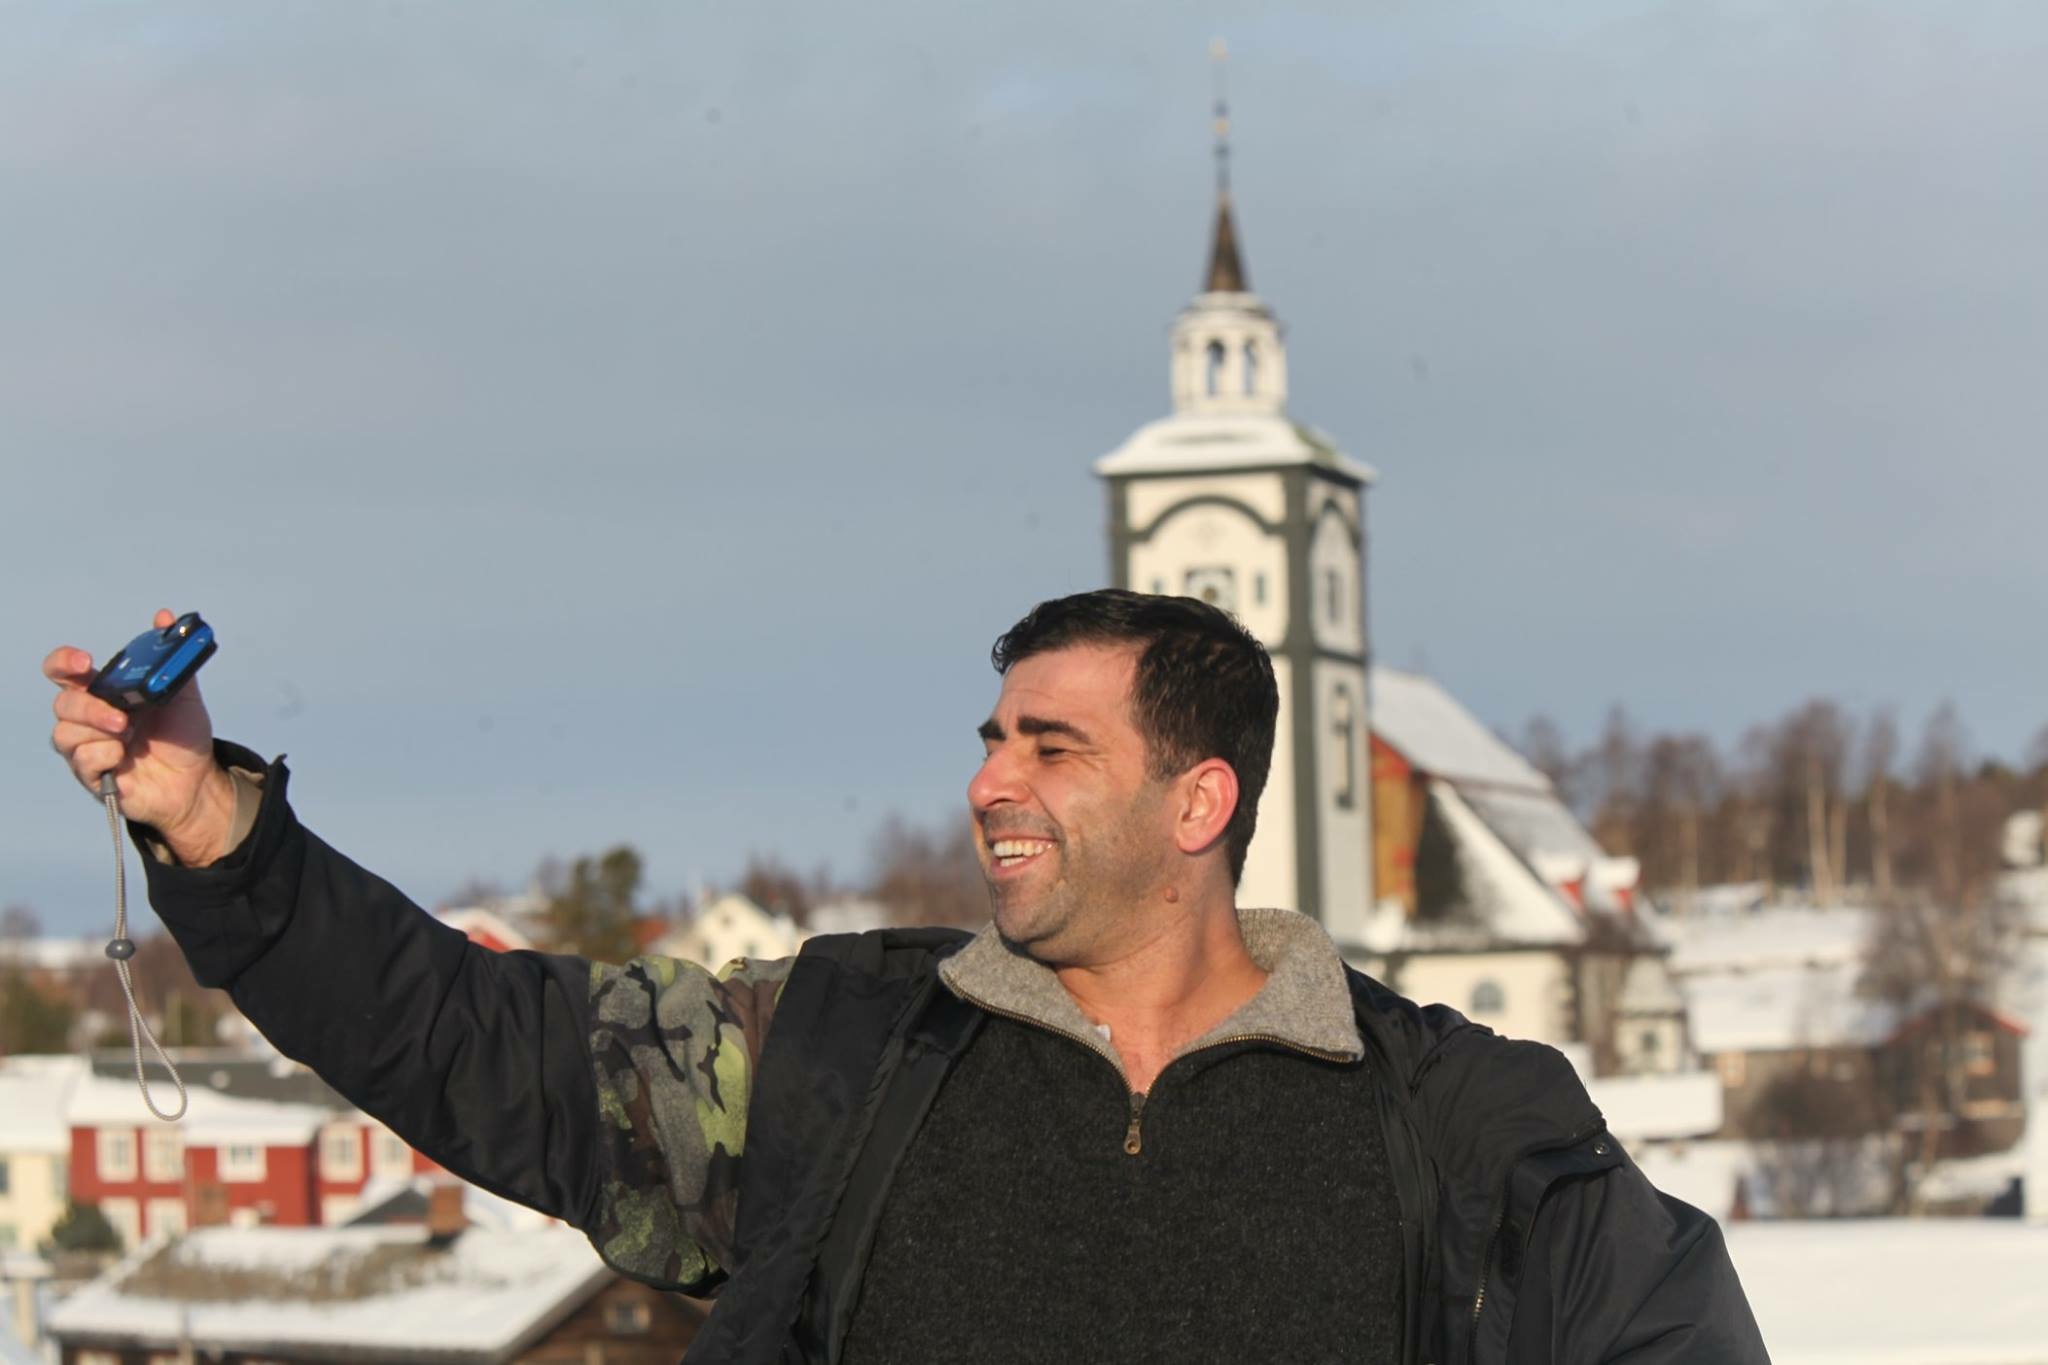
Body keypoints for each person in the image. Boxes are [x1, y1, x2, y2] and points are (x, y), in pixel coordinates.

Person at [46, 593, 1768, 1364]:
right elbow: (473, 1039)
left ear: (1199, 798)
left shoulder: (1455, 1123)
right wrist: (216, 829)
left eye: (1051, 745)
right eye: (989, 738)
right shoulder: (848, 1053)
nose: (989, 782)